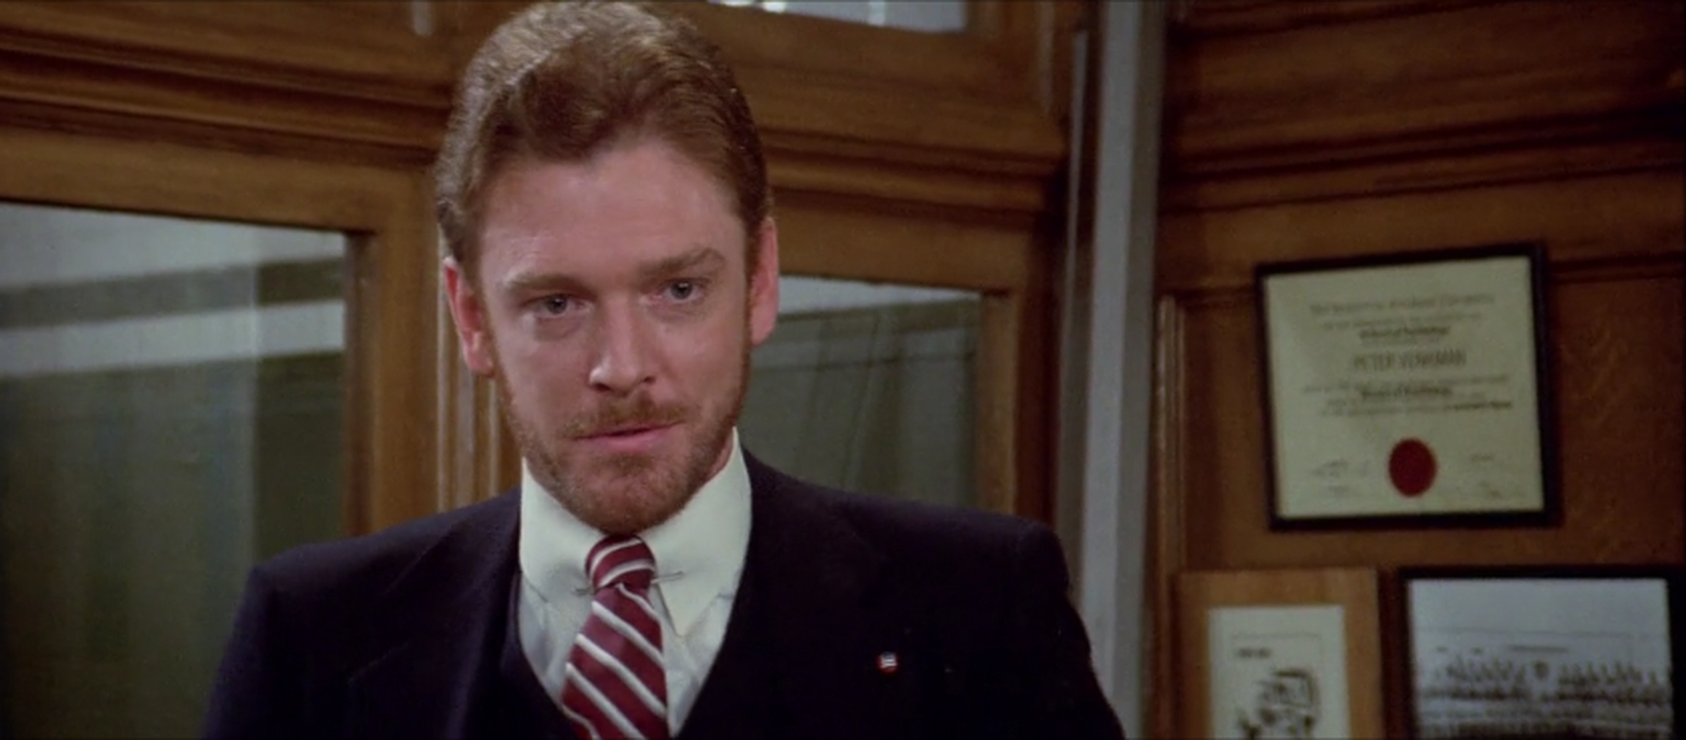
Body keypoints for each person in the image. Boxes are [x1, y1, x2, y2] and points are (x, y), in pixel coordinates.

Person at [201, 2, 1124, 738]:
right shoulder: (312, 635)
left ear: (760, 281)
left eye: (678, 290)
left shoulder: (981, 606)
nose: (623, 366)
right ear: (472, 317)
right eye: (556, 304)